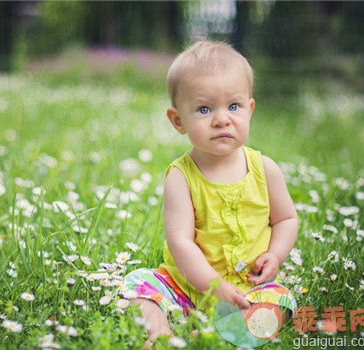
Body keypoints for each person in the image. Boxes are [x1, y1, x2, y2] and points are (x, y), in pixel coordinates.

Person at [121, 40, 299, 345]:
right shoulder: (181, 176)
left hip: (248, 288)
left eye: (233, 106)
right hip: (187, 286)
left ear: (249, 109)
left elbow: (286, 219)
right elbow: (180, 242)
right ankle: (160, 332)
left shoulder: (264, 169)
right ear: (179, 121)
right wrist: (213, 285)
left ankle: (219, 330)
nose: (221, 119)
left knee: (279, 303)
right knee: (137, 286)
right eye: (204, 109)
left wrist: (276, 254)